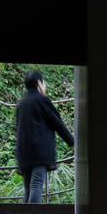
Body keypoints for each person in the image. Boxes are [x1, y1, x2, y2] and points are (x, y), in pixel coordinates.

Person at [13, 70, 75, 203]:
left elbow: (18, 129)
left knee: (28, 189)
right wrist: (73, 142)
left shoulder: (21, 104)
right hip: (39, 153)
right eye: (43, 82)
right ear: (39, 83)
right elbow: (58, 123)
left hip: (23, 154)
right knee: (36, 185)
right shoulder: (42, 100)